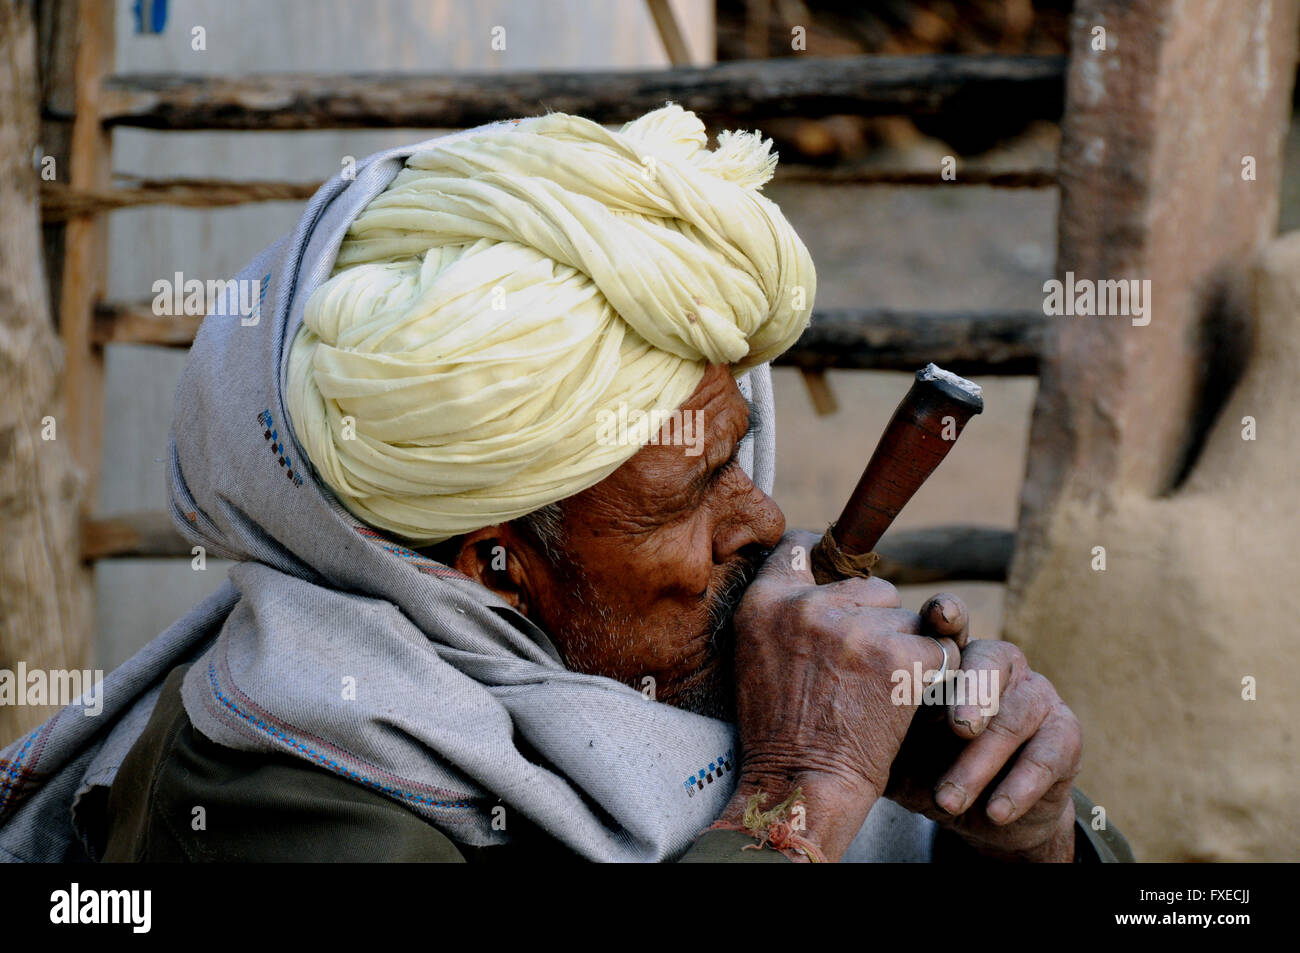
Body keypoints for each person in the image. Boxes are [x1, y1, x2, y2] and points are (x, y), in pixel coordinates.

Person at [0, 105, 1131, 863]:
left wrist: (1026, 838)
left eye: (735, 457)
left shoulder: (672, 693)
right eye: (689, 497)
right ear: (496, 565)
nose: (764, 520)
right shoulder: (289, 788)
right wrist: (805, 791)